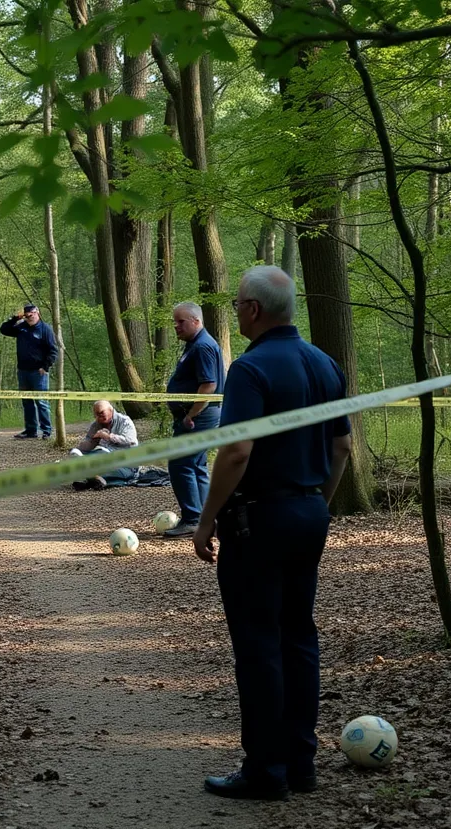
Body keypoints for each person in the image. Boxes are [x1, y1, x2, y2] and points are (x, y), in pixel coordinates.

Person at [192, 266, 353, 801]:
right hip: (309, 513)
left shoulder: (252, 369)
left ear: (254, 311)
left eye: (238, 303)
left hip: (258, 521)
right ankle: (301, 764)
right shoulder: (326, 365)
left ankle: (266, 770)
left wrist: (207, 516)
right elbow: (341, 449)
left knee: (260, 645)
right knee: (299, 638)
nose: (236, 310)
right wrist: (316, 505)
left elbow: (238, 450)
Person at [163, 301, 226, 538]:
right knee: (196, 465)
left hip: (200, 416)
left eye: (181, 321)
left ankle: (192, 519)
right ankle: (207, 517)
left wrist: (191, 415)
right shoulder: (194, 344)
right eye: (174, 322)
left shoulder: (202, 347)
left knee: (181, 464)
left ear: (196, 321)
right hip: (200, 415)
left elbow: (209, 384)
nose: (176, 326)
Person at [0, 303, 59, 440]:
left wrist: (45, 367)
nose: (29, 318)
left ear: (37, 313)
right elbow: (4, 330)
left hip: (39, 373)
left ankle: (46, 431)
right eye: (27, 316)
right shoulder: (21, 328)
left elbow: (53, 351)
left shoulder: (45, 329)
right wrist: (15, 318)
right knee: (27, 402)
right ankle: (31, 430)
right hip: (23, 371)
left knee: (41, 402)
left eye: (31, 315)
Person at [67, 400, 138, 491]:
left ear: (110, 410)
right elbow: (86, 447)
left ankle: (87, 475)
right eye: (96, 415)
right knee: (89, 455)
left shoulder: (124, 421)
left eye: (101, 413)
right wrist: (94, 440)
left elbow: (130, 440)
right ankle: (90, 476)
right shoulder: (96, 425)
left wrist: (109, 437)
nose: (98, 417)